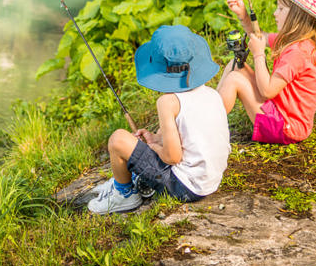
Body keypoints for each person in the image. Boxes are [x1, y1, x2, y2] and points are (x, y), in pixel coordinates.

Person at [87, 25, 231, 214]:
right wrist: (155, 139)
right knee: (143, 141)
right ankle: (124, 182)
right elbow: (191, 135)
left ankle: (124, 194)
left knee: (118, 139)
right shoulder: (211, 94)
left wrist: (153, 148)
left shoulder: (167, 102)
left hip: (185, 187)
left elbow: (172, 157)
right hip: (211, 180)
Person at [216, 0, 316, 145]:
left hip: (287, 128)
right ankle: (207, 112)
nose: (275, 13)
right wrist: (244, 16)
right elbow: (259, 37)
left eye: (281, 9)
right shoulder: (294, 41)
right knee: (235, 65)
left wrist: (258, 55)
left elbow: (267, 91)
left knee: (234, 79)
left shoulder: (298, 53)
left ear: (297, 16)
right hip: (279, 112)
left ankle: (206, 125)